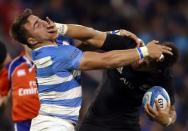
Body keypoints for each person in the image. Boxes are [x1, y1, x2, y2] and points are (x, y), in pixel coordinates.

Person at [10, 9, 172, 131]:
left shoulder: (57, 49)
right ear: (31, 40)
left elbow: (88, 39)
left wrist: (112, 34)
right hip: (52, 125)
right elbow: (105, 60)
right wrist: (144, 52)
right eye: (37, 25)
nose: (45, 23)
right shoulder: (56, 55)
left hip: (57, 124)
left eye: (40, 19)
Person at [78, 41, 178, 131]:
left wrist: (167, 120)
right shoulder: (127, 44)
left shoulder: (162, 78)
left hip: (127, 126)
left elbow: (172, 111)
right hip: (94, 123)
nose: (140, 62)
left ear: (156, 70)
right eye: (145, 57)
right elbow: (93, 39)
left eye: (146, 65)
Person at [0, 41, 40, 131]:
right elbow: (2, 94)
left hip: (48, 119)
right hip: (23, 123)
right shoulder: (12, 66)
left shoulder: (51, 62)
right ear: (22, 41)